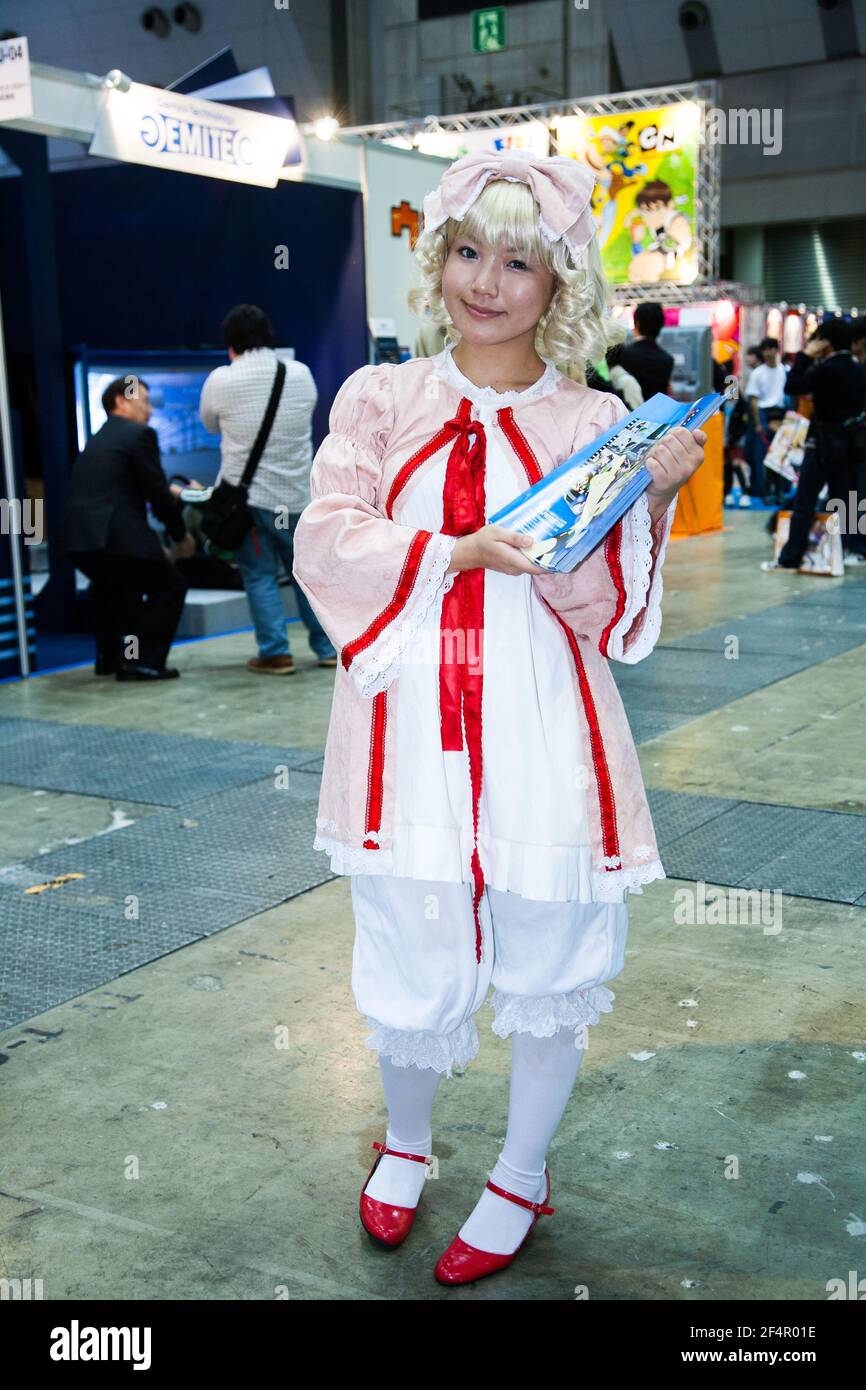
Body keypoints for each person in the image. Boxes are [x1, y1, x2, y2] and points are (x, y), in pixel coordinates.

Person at [292, 149, 705, 1286]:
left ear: (557, 282)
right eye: (468, 251)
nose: (486, 281)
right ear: (436, 262)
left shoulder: (594, 421)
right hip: (407, 723)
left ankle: (520, 1172)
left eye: (517, 260)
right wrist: (449, 551)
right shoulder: (380, 399)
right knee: (408, 927)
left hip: (540, 718)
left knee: (546, 938)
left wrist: (650, 497)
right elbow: (325, 539)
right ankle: (408, 1142)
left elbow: (601, 609)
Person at [199, 304, 337, 674]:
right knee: (307, 575)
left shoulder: (221, 380)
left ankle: (275, 652)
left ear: (230, 345)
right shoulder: (300, 374)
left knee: (259, 575)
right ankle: (327, 648)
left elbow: (209, 424)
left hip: (250, 500)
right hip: (297, 497)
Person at [61, 375, 194, 680]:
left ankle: (111, 658)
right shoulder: (139, 435)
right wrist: (180, 535)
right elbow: (157, 493)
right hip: (114, 534)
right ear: (120, 401)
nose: (149, 410)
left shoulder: (97, 440)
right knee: (171, 586)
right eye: (144, 401)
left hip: (80, 538)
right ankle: (140, 661)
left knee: (115, 589)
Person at [763, 318, 866, 571]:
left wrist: (805, 356)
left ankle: (790, 557)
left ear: (825, 343)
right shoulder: (859, 370)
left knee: (805, 501)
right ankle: (849, 551)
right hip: (851, 444)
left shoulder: (825, 369)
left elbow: (793, 385)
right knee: (845, 501)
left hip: (821, 445)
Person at [745, 337, 788, 503]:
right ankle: (765, 491)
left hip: (781, 414)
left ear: (777, 350)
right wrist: (757, 424)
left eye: (772, 348)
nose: (769, 352)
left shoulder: (784, 370)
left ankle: (780, 491)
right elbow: (754, 400)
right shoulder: (758, 374)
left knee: (781, 456)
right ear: (762, 352)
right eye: (766, 349)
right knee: (762, 456)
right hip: (763, 413)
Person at [618, 301, 674, 401]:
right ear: (660, 326)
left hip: (630, 413)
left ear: (637, 323)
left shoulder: (623, 354)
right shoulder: (667, 359)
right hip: (656, 412)